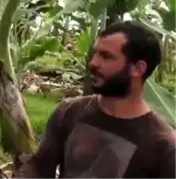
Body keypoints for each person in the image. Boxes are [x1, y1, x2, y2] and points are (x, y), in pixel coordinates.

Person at [17, 21, 176, 179]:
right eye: (96, 53)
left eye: (106, 56)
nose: (93, 63)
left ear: (138, 68)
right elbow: (38, 168)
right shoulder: (69, 112)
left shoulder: (164, 146)